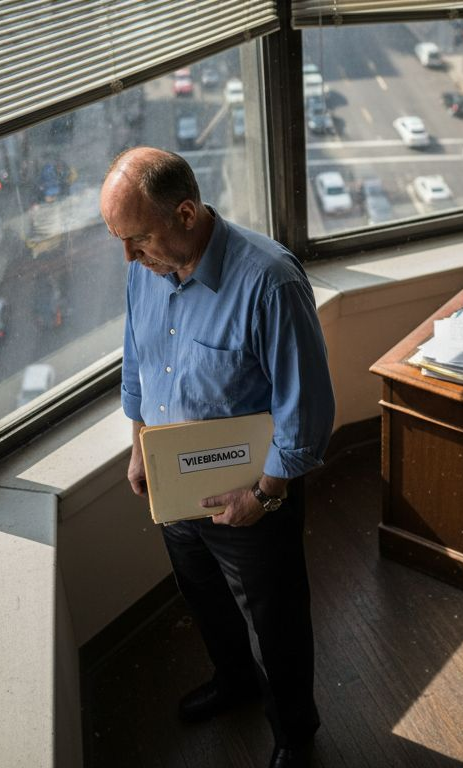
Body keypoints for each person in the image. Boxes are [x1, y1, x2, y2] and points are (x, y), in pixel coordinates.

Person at [100, 147, 334, 768]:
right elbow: (138, 360)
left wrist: (262, 496)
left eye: (138, 238)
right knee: (203, 599)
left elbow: (306, 409)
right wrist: (139, 444)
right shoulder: (143, 269)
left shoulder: (270, 281)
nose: (127, 256)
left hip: (256, 492)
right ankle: (234, 682)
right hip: (175, 484)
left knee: (276, 622)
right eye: (120, 241)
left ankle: (294, 731)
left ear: (185, 213)